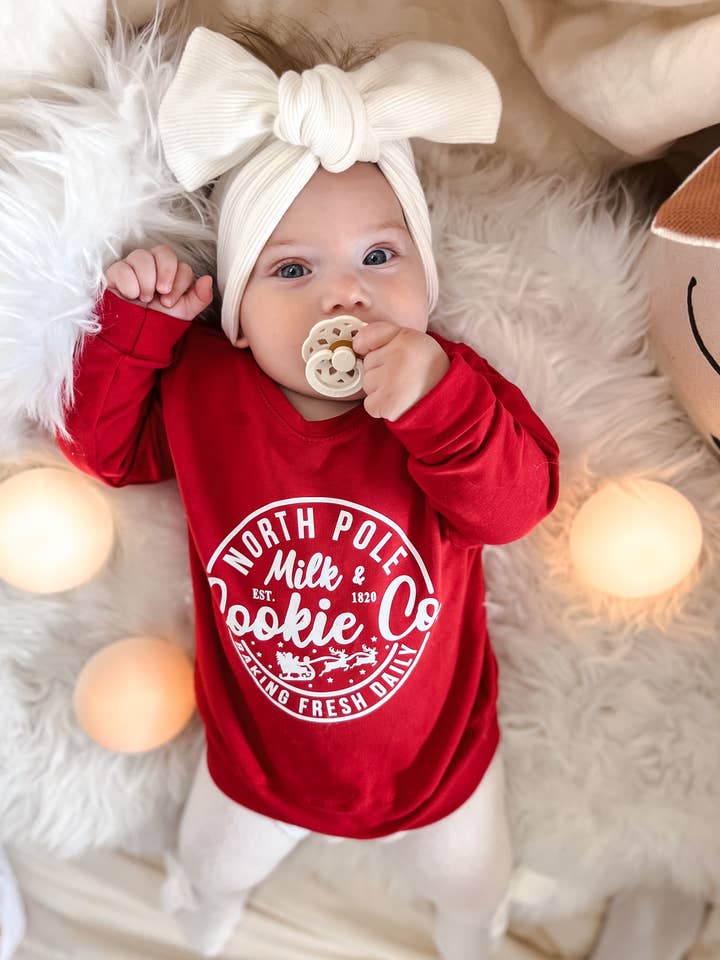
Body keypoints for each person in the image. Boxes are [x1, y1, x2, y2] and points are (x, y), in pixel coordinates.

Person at [56, 21, 560, 960]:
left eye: (380, 257)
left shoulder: (453, 390)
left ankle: (472, 930)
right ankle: (199, 912)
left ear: (424, 279)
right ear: (238, 313)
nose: (346, 297)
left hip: (441, 768)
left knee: (472, 879)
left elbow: (517, 509)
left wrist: (438, 402)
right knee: (211, 864)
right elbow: (107, 454)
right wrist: (138, 331)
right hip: (257, 769)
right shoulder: (209, 389)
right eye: (292, 270)